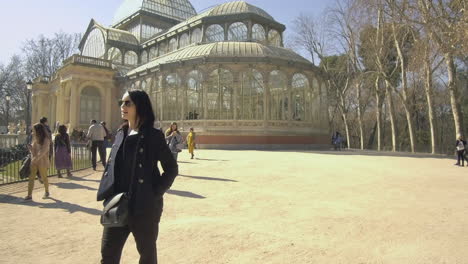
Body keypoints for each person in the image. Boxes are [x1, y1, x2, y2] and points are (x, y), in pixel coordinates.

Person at [97, 90, 178, 264]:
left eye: (128, 103)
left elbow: (171, 169)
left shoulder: (153, 136)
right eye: (122, 102)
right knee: (108, 255)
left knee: (147, 256)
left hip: (144, 208)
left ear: (139, 106)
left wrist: (155, 193)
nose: (122, 106)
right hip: (117, 204)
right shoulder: (120, 133)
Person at [24, 123, 51, 200]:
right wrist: (30, 148)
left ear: (38, 130)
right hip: (34, 161)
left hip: (42, 161)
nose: (33, 131)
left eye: (34, 130)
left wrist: (36, 158)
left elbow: (43, 151)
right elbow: (34, 151)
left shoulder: (46, 139)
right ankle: (29, 195)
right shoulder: (35, 138)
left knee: (44, 177)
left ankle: (47, 191)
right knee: (31, 177)